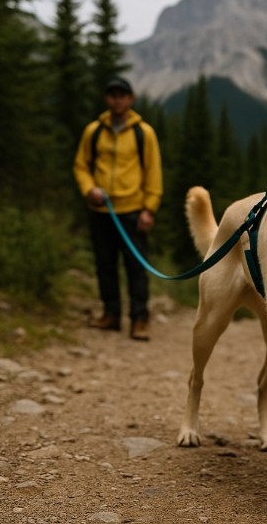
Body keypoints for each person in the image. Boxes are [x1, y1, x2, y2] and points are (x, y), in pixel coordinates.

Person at [73, 77, 163, 341]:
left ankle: (140, 319)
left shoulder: (143, 132)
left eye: (122, 95)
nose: (117, 99)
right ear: (107, 99)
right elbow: (81, 165)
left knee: (136, 267)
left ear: (130, 99)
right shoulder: (93, 131)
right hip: (101, 211)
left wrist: (149, 209)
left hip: (133, 211)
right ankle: (110, 315)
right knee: (105, 265)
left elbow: (153, 172)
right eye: (112, 95)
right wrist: (89, 188)